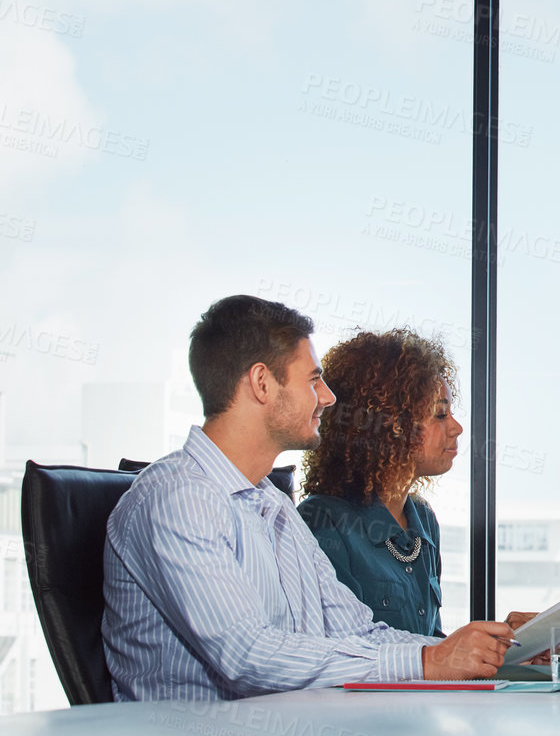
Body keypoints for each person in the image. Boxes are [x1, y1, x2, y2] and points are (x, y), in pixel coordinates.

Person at [103, 295, 515, 700]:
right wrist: (429, 662)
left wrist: (484, 651)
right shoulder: (178, 500)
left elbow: (357, 631)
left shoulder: (272, 505)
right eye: (313, 380)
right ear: (262, 383)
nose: (328, 398)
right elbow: (248, 656)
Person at [297, 329, 463, 637]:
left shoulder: (423, 519)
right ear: (392, 425)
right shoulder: (322, 522)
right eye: (440, 415)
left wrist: (502, 647)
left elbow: (431, 645)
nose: (457, 427)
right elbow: (343, 649)